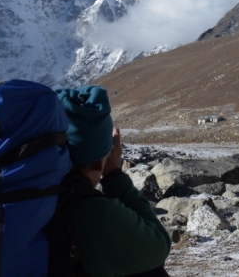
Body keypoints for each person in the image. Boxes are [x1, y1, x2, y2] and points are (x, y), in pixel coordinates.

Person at [56, 85, 171, 277]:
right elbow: (158, 246)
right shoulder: (92, 211)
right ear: (102, 158)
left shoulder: (34, 191)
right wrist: (113, 175)